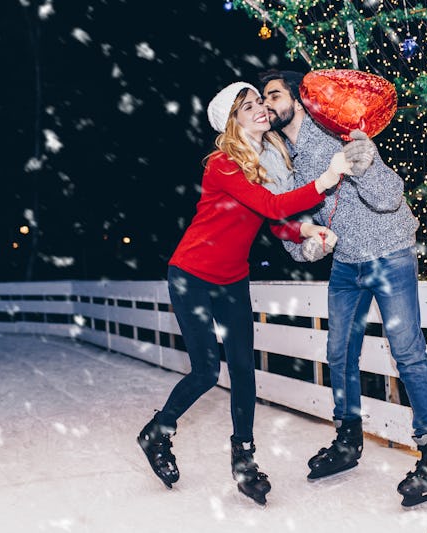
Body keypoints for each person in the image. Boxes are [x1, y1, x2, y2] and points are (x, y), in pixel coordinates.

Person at [137, 81, 351, 505]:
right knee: (204, 371)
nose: (258, 109)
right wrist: (326, 179)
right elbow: (272, 207)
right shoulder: (222, 163)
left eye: (259, 103)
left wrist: (307, 229)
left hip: (233, 277)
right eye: (247, 106)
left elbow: (273, 222)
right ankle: (157, 433)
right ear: (232, 121)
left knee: (243, 371)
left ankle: (245, 460)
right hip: (192, 274)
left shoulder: (267, 164)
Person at [260, 70, 427, 507]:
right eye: (264, 98)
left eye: (274, 95)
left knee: (406, 350)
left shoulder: (335, 130)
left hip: (388, 251)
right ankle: (348, 441)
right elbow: (289, 226)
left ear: (298, 98)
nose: (268, 104)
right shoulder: (287, 158)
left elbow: (390, 196)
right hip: (347, 263)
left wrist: (365, 164)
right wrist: (310, 249)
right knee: (339, 351)